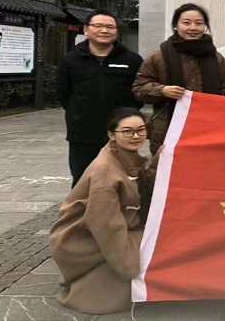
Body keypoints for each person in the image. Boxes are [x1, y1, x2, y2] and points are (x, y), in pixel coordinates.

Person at [49, 108, 160, 314]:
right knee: (156, 245)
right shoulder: (106, 173)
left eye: (141, 130)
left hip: (100, 230)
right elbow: (106, 226)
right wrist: (130, 267)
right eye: (127, 131)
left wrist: (158, 161)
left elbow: (141, 185)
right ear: (112, 135)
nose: (136, 136)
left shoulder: (123, 156)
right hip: (80, 239)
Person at [55, 10, 143, 187]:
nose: (104, 30)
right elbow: (63, 93)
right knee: (83, 179)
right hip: (83, 132)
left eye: (110, 27)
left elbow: (139, 92)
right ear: (86, 30)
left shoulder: (132, 60)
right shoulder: (71, 60)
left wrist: (127, 116)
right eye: (98, 26)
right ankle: (83, 206)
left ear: (116, 31)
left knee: (124, 179)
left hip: (122, 132)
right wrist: (79, 112)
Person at [132, 3, 225, 153]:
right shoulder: (159, 55)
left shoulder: (216, 58)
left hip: (208, 129)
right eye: (186, 23)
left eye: (199, 23)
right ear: (175, 25)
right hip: (168, 128)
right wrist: (162, 90)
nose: (193, 28)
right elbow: (139, 88)